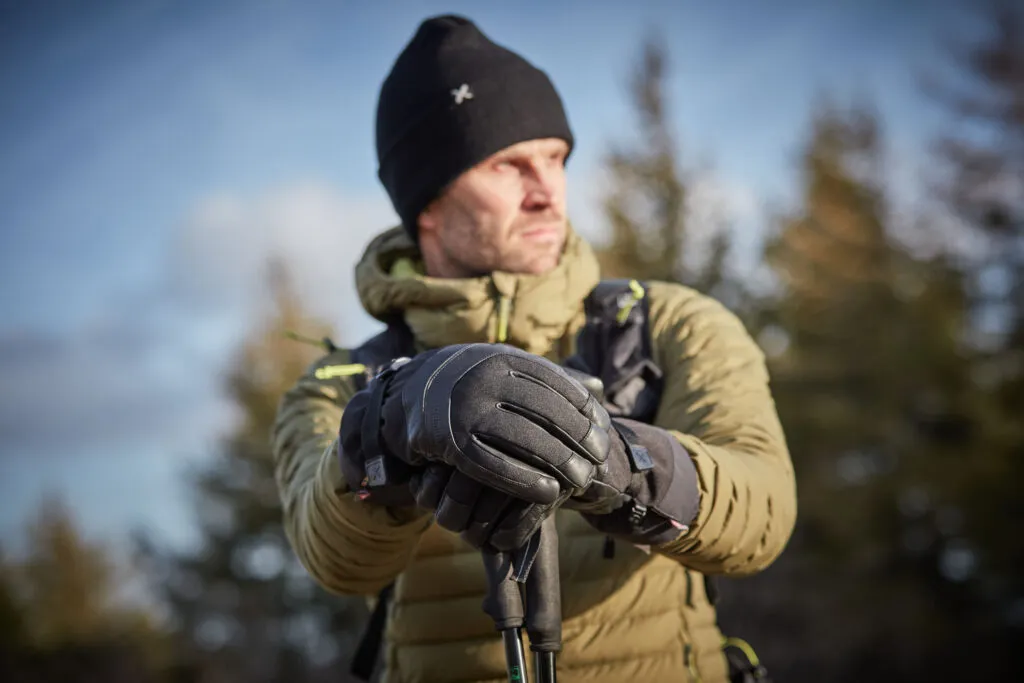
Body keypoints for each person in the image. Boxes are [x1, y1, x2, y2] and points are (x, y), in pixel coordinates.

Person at [271, 14, 796, 683]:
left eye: (555, 157)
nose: (549, 192)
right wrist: (388, 426)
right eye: (508, 164)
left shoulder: (667, 324)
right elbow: (338, 563)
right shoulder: (343, 383)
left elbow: (764, 513)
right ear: (428, 202)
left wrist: (616, 460)